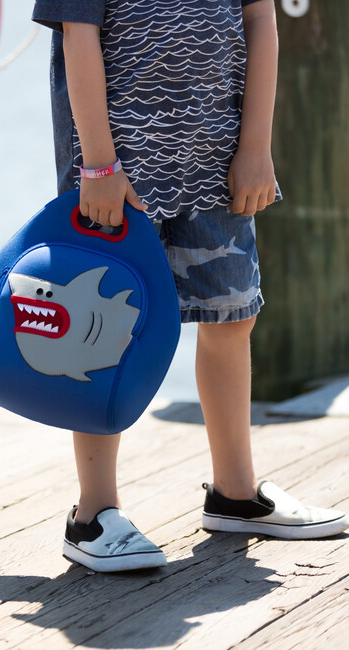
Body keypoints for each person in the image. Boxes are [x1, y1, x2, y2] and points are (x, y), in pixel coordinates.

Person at [31, 0, 348, 573]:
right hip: (119, 172)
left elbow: (261, 22)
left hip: (218, 155)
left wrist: (255, 148)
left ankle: (236, 492)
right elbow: (78, 36)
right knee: (99, 334)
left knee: (232, 314)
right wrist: (99, 165)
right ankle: (93, 513)